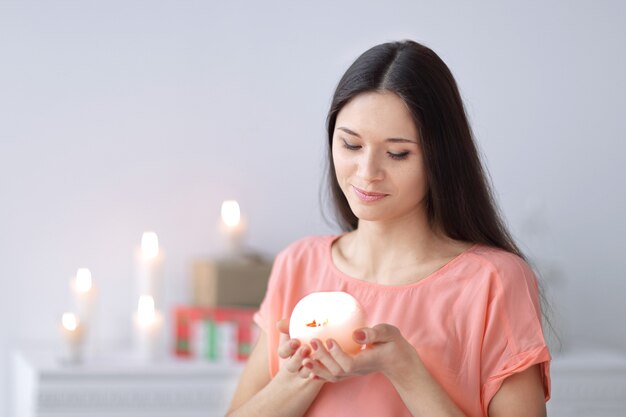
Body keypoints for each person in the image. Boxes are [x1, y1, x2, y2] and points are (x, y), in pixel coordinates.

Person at [226, 40, 551, 417]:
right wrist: (301, 374)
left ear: (440, 158)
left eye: (397, 153)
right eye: (350, 144)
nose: (367, 173)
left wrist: (405, 368)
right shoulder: (298, 264)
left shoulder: (494, 282)